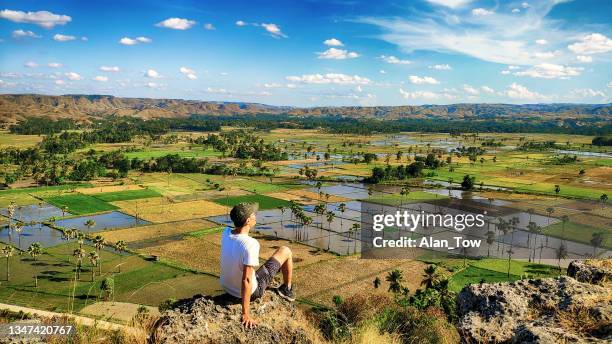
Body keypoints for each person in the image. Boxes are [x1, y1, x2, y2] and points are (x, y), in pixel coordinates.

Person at [220, 202, 295, 328]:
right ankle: (286, 289)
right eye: (253, 214)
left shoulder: (226, 232)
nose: (256, 215)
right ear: (248, 220)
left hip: (227, 287)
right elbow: (247, 279)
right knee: (285, 251)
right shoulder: (250, 244)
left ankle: (285, 287)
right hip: (251, 291)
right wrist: (246, 314)